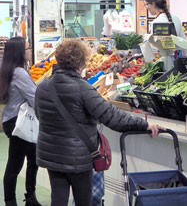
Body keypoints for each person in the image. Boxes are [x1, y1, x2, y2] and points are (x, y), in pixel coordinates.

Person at [34, 40, 163, 206]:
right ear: (81, 63)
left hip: (51, 154)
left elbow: (40, 115)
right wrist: (144, 125)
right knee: (83, 200)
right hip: (78, 157)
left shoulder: (43, 86)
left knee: (58, 199)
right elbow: (113, 117)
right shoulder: (82, 88)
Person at [0, 37, 43, 206]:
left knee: (32, 159)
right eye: (28, 48)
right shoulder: (20, 73)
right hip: (20, 123)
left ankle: (30, 198)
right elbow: (35, 98)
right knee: (15, 165)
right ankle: (12, 201)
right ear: (20, 52)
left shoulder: (9, 70)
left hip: (12, 120)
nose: (30, 50)